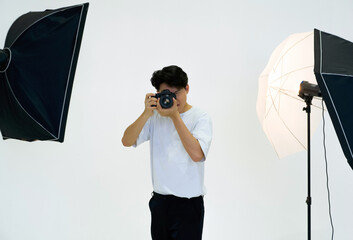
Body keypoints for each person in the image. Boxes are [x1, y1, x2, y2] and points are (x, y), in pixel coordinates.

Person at [121, 65, 212, 240]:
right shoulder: (155, 116)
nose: (171, 99)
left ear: (187, 89)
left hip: (188, 205)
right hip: (160, 203)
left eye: (175, 93)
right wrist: (146, 113)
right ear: (157, 93)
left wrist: (174, 116)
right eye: (165, 94)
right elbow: (127, 141)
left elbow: (197, 155)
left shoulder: (200, 117)